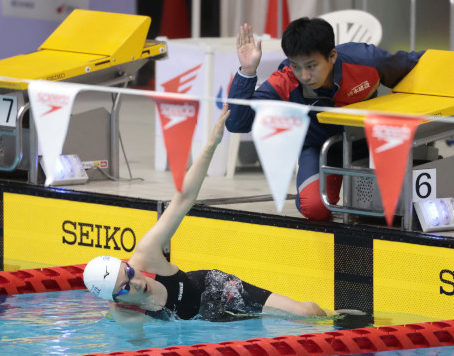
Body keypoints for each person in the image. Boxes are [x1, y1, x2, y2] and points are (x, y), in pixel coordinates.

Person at [83, 107, 356, 324]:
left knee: (306, 313)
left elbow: (183, 199)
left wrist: (211, 145)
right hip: (203, 322)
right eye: (124, 287)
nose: (138, 282)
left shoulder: (147, 255)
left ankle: (346, 320)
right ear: (113, 298)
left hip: (215, 291)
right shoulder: (126, 317)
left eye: (129, 272)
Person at [228, 17, 424, 220]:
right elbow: (237, 123)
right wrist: (248, 71)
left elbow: (413, 64)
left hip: (370, 143)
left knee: (395, 210)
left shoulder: (367, 60)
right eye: (296, 66)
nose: (304, 75)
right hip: (321, 148)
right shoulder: (285, 80)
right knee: (314, 208)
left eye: (311, 66)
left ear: (332, 56)